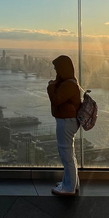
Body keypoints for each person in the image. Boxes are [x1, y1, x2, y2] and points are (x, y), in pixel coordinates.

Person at [47, 55, 81, 196]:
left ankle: (68, 188)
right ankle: (71, 183)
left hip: (66, 122)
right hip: (67, 121)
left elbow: (56, 100)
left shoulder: (68, 85)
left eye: (57, 68)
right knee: (69, 154)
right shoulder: (69, 82)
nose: (56, 71)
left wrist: (51, 86)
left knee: (66, 155)